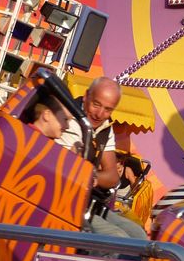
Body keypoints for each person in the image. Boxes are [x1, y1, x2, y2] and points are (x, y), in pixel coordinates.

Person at [47, 79, 148, 242]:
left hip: (86, 201)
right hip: (62, 200)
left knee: (139, 236)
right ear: (86, 96)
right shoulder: (66, 120)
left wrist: (90, 176)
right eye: (96, 104)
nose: (99, 114)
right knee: (118, 239)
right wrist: (92, 175)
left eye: (107, 109)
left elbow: (112, 177)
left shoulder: (105, 127)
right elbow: (65, 172)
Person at [113, 152, 153, 229]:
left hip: (126, 195)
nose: (117, 171)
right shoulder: (110, 171)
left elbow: (133, 184)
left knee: (125, 211)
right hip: (114, 193)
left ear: (123, 165)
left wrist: (133, 194)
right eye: (114, 168)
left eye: (119, 168)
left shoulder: (127, 170)